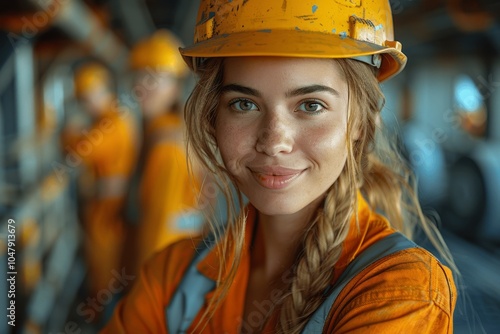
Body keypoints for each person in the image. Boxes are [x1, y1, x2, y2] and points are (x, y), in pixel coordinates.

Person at [102, 0, 457, 333]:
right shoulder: (169, 274)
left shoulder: (401, 293)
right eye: (244, 104)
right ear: (212, 118)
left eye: (311, 106)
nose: (274, 142)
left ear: (361, 122)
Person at [123, 29, 202, 275]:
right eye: (139, 76)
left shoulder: (166, 146)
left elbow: (160, 231)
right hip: (182, 263)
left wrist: (145, 294)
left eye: (154, 78)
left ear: (177, 86)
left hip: (162, 273)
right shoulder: (174, 130)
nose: (142, 86)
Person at [64, 61, 137, 317]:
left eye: (86, 98)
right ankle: (103, 307)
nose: (85, 105)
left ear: (99, 91)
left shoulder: (113, 122)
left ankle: (103, 313)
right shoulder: (112, 118)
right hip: (107, 200)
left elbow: (82, 151)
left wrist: (71, 131)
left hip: (109, 202)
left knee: (102, 256)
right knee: (102, 254)